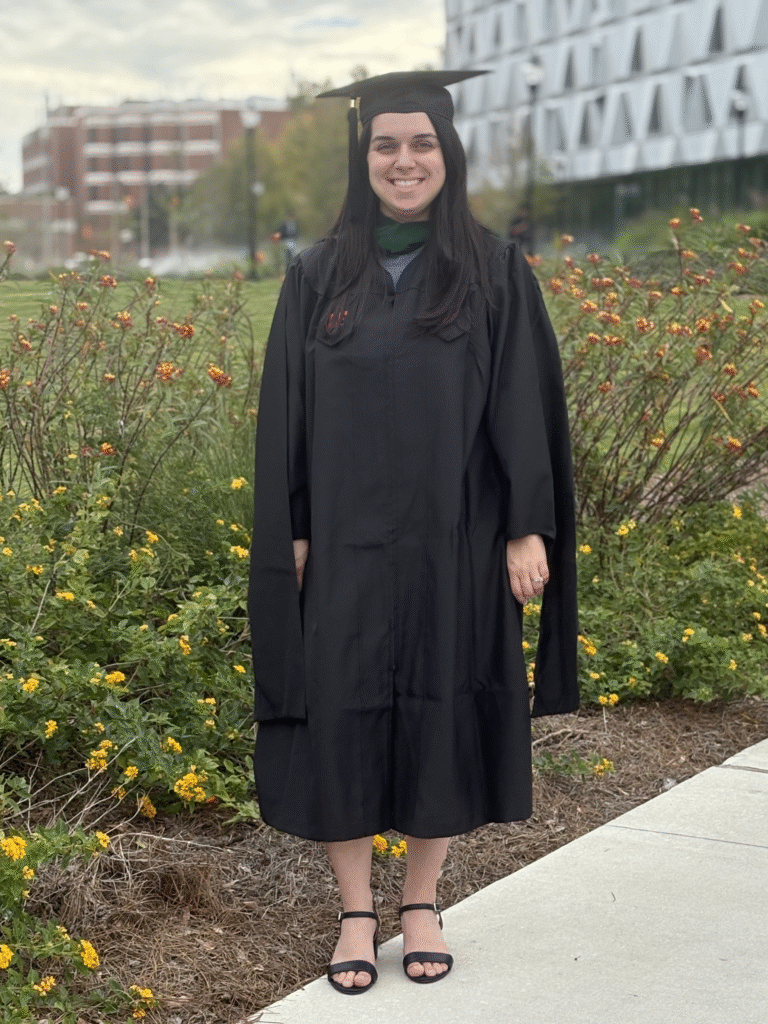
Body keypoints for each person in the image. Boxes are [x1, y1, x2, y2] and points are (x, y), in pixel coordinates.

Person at [248, 70, 578, 996]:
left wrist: (526, 527)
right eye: (386, 144)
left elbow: (522, 404)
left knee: (445, 703)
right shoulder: (318, 275)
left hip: (457, 537)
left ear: (448, 153)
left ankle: (421, 901)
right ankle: (357, 910)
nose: (404, 160)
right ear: (364, 157)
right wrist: (294, 532)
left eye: (422, 143)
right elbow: (287, 417)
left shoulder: (493, 269)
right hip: (343, 543)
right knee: (339, 710)